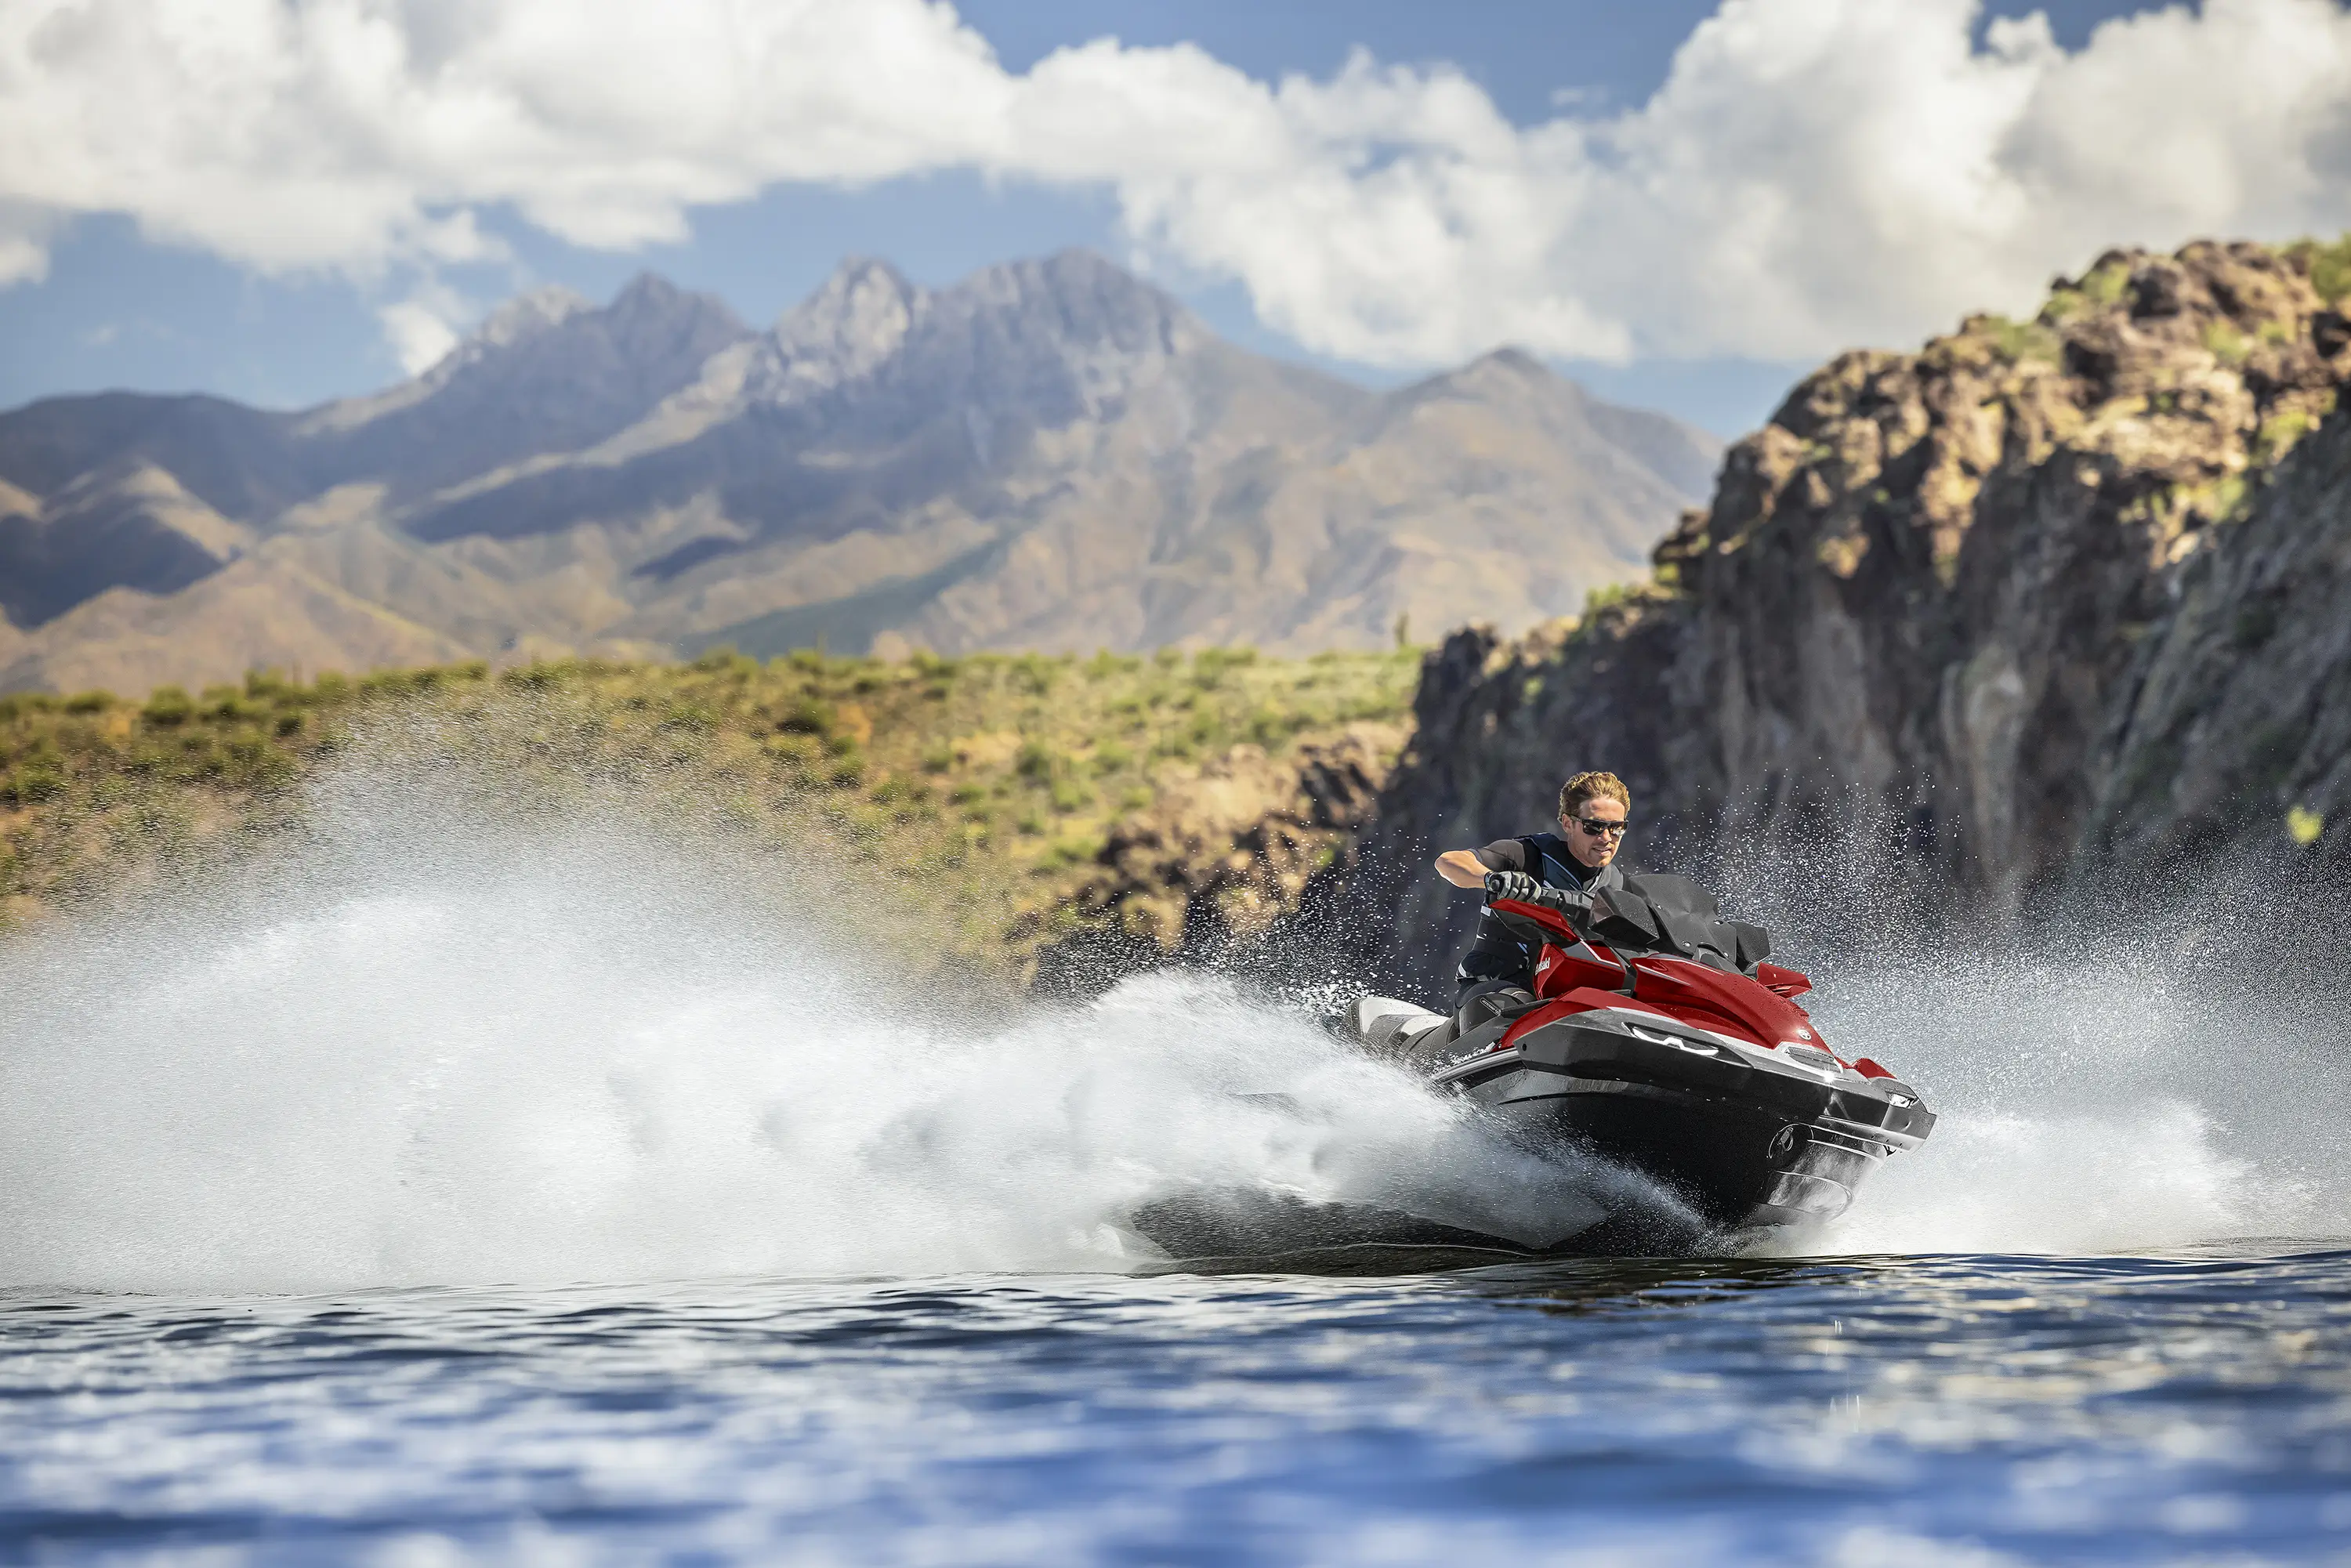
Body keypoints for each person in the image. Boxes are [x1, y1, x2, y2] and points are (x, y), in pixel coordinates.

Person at [1433, 770, 1632, 1012]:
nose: (1606, 837)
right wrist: (1491, 878)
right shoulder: (1526, 855)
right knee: (1518, 1004)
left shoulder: (1619, 886)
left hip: (1566, 1004)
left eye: (1617, 828)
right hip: (1494, 991)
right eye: (1594, 827)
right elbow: (1448, 861)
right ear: (1568, 823)